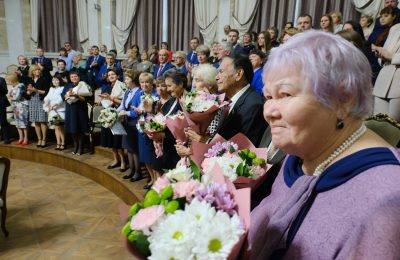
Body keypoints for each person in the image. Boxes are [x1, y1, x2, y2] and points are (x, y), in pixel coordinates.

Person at [249, 30, 400, 259]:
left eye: (286, 94)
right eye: (268, 97)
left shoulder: (388, 198)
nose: (269, 112)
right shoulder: (302, 154)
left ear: (344, 99)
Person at [216, 55, 267, 146]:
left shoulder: (253, 105)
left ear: (238, 74)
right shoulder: (227, 101)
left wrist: (206, 142)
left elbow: (243, 147)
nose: (216, 77)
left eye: (221, 71)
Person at [99, 68, 127, 172]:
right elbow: (103, 99)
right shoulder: (106, 87)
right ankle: (116, 159)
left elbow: (124, 103)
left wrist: (112, 99)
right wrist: (103, 98)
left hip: (117, 114)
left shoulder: (122, 86)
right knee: (110, 140)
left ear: (118, 76)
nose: (111, 76)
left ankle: (123, 161)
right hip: (107, 114)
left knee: (117, 140)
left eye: (113, 74)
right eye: (109, 74)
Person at [118, 70, 142, 182]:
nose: (125, 81)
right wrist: (114, 113)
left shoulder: (140, 93)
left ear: (133, 80)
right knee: (128, 148)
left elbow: (139, 111)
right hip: (126, 123)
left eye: (127, 79)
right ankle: (131, 170)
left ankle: (138, 172)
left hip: (134, 123)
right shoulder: (128, 92)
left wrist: (126, 113)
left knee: (134, 149)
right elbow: (122, 106)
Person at [373, 23, 400, 121]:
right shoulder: (395, 28)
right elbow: (387, 51)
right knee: (378, 123)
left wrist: (392, 57)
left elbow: (391, 55)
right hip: (384, 78)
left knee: (395, 126)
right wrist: (381, 55)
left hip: (398, 81)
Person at [61, 71, 91, 155]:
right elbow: (63, 96)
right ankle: (75, 145)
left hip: (80, 109)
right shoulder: (67, 86)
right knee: (72, 128)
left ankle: (81, 147)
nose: (74, 78)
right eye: (72, 77)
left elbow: (86, 99)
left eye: (76, 76)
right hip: (70, 109)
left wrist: (77, 96)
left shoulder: (83, 85)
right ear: (70, 79)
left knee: (79, 128)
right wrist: (68, 95)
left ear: (79, 77)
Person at [27, 64, 51, 148]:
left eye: (38, 70)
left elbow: (46, 92)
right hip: (32, 101)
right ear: (32, 72)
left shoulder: (44, 79)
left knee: (42, 121)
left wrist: (36, 90)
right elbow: (28, 93)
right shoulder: (30, 80)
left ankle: (44, 139)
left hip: (41, 101)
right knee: (36, 121)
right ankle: (39, 139)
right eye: (35, 70)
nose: (37, 71)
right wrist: (29, 91)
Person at [43, 75, 66, 150]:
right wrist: (46, 103)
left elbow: (61, 99)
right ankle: (58, 143)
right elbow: (47, 97)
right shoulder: (51, 88)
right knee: (56, 127)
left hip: (60, 110)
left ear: (60, 81)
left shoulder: (62, 88)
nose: (55, 82)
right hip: (52, 110)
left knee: (60, 127)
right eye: (53, 80)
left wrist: (53, 105)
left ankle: (63, 143)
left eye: (56, 80)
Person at [6, 74, 28, 145]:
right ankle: (20, 138)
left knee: (23, 123)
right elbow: (8, 95)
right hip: (15, 107)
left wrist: (11, 97)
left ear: (12, 80)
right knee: (18, 123)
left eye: (8, 80)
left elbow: (17, 97)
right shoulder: (13, 87)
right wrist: (11, 97)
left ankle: (26, 138)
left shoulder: (21, 86)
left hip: (22, 106)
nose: (8, 82)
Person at [0, 76, 11, 144]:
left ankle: (6, 138)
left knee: (3, 121)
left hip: (1, 103)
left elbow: (5, 91)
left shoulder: (1, 80)